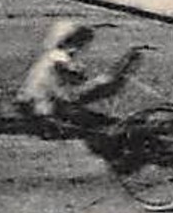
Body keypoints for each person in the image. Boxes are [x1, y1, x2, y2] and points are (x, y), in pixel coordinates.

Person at [14, 21, 148, 162]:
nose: (83, 48)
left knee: (104, 89)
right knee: (105, 86)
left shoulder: (51, 55)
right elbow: (77, 78)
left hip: (42, 101)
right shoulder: (58, 56)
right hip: (47, 105)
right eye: (82, 43)